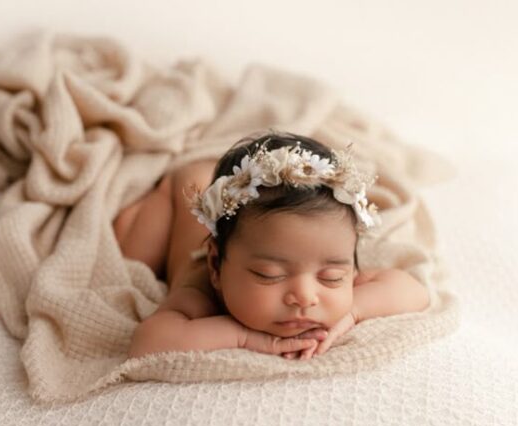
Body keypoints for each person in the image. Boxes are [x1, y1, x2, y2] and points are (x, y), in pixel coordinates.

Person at [113, 132, 429, 361]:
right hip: (183, 190)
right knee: (133, 254)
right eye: (269, 274)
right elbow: (148, 341)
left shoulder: (324, 254)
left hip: (227, 186)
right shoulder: (201, 292)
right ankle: (158, 190)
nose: (305, 297)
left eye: (331, 277)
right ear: (216, 267)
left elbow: (414, 291)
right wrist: (247, 338)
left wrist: (354, 312)